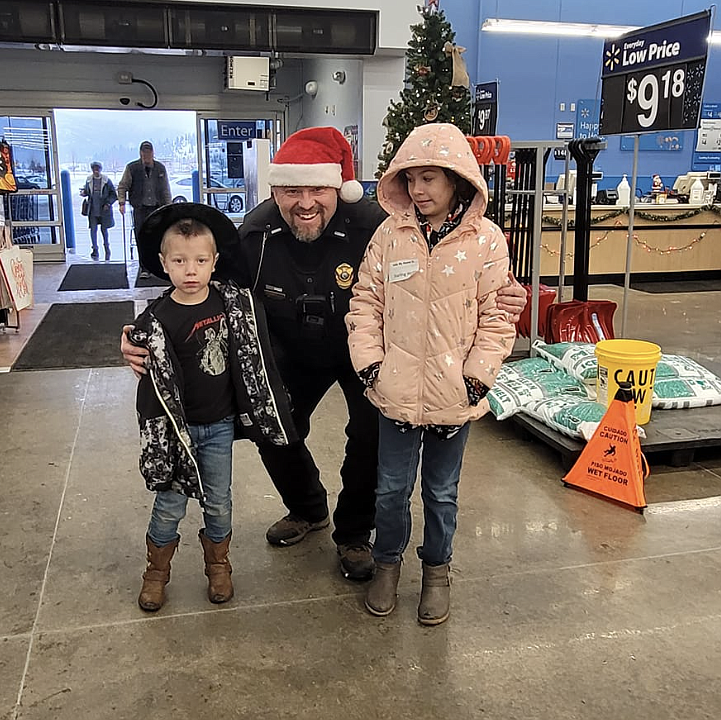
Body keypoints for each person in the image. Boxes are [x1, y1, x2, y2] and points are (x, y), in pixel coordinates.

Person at [121, 126, 528, 583]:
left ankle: (354, 532)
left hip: (368, 348)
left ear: (339, 189)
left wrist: (506, 291)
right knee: (271, 426)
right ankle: (307, 508)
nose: (305, 202)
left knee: (372, 434)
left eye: (317, 189)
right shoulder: (254, 235)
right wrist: (142, 335)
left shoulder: (375, 223)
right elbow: (199, 286)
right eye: (292, 191)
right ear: (275, 191)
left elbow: (438, 260)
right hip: (287, 349)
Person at [346, 123, 516, 625]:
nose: (419, 190)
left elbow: (497, 316)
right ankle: (386, 565)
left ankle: (437, 572)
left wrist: (477, 378)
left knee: (441, 493)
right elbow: (365, 301)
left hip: (454, 395)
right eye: (412, 179)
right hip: (395, 393)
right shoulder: (389, 234)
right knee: (391, 489)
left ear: (457, 180)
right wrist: (372, 366)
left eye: (429, 179)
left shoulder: (486, 241)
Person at [128, 203, 296, 612]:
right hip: (176, 432)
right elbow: (142, 360)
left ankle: (218, 566)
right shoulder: (156, 318)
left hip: (219, 427)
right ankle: (156, 573)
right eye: (180, 261)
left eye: (201, 260)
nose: (191, 270)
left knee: (218, 500)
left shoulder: (233, 305)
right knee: (169, 502)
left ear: (214, 262)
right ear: (163, 264)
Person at [117, 141, 172, 279]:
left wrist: (169, 206)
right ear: (140, 154)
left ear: (153, 153)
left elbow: (165, 189)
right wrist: (122, 202)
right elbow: (123, 186)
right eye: (143, 153)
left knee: (158, 236)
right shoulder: (132, 168)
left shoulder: (160, 168)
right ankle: (144, 267)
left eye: (148, 153)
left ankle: (159, 266)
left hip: (157, 207)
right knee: (141, 237)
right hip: (140, 208)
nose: (146, 156)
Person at [80, 161, 117, 260]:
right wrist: (84, 193)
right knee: (93, 230)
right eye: (94, 168)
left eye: (97, 168)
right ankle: (95, 248)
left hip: (104, 210)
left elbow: (113, 194)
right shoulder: (89, 180)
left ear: (100, 169)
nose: (96, 170)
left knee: (104, 230)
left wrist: (108, 203)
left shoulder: (106, 181)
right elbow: (87, 191)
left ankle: (106, 247)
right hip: (93, 209)